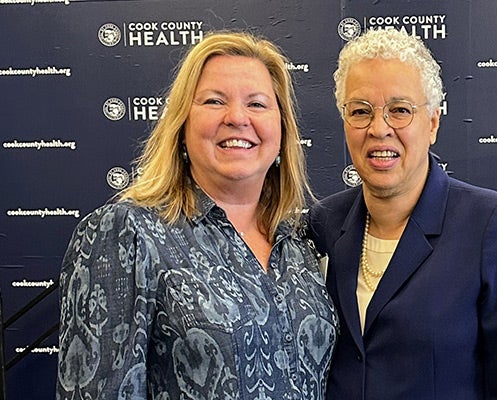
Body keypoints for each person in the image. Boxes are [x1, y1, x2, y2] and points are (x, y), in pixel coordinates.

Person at [56, 31, 338, 400]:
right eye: (214, 101)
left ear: (282, 132)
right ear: (182, 126)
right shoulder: (127, 232)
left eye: (257, 104)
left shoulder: (298, 243)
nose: (237, 117)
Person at [309, 28, 497, 399]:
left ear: (433, 123)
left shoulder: (490, 224)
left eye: (400, 110)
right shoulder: (322, 224)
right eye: (360, 111)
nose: (379, 129)